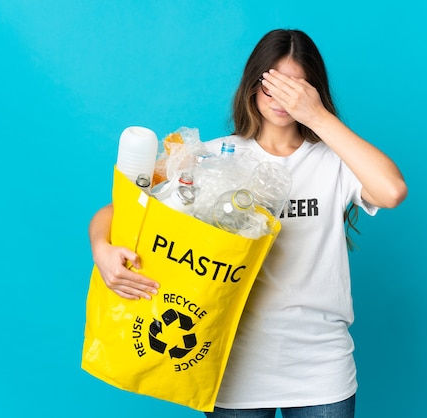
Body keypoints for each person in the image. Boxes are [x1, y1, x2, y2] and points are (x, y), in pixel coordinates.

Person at [89, 29, 407, 418]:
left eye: (296, 88)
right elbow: (121, 209)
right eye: (271, 85)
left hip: (320, 368)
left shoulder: (335, 160)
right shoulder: (211, 159)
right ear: (252, 86)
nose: (281, 100)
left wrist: (318, 117)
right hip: (231, 365)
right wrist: (102, 249)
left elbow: (391, 191)